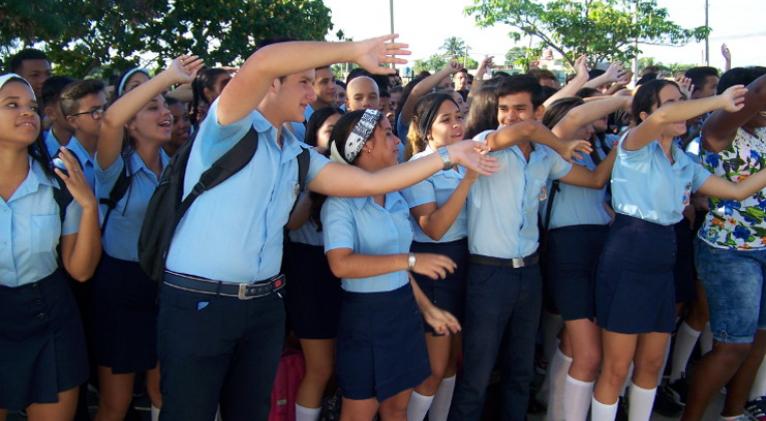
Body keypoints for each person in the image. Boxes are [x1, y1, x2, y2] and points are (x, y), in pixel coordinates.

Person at [158, 35, 498, 421]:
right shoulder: (229, 126)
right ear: (273, 83)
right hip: (201, 299)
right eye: (304, 81)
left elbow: (371, 183)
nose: (315, 92)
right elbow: (263, 60)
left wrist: (448, 155)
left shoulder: (297, 154)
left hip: (263, 305)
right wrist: (351, 52)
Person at [590, 79, 766, 421]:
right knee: (615, 366)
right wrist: (720, 99)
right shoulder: (634, 144)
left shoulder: (684, 162)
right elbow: (663, 118)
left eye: (682, 100)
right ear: (645, 114)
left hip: (662, 257)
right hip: (629, 253)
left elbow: (738, 191)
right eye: (670, 102)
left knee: (653, 362)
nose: (680, 107)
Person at [449, 75, 605, 421]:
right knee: (476, 375)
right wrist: (560, 144)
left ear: (538, 110)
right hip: (488, 275)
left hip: (529, 274)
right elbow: (527, 131)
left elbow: (593, 181)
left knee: (520, 374)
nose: (508, 117)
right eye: (503, 109)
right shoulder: (484, 143)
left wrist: (628, 144)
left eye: (520, 109)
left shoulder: (544, 156)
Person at [322, 108, 461, 421]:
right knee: (360, 411)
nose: (399, 141)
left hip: (402, 314)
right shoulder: (340, 202)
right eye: (388, 133)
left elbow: (398, 271)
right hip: (366, 319)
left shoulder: (395, 195)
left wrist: (428, 309)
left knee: (397, 408)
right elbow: (340, 265)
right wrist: (410, 260)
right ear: (366, 145)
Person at [90, 55, 203, 421]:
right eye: (150, 107)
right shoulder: (112, 167)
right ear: (132, 123)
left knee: (162, 391)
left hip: (163, 287)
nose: (166, 112)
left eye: (167, 105)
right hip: (119, 291)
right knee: (115, 403)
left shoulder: (175, 167)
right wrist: (167, 76)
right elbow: (110, 119)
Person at [0, 73, 101, 421]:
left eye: (31, 106)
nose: (27, 112)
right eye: (11, 105)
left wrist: (88, 207)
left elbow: (81, 270)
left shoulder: (60, 181)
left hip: (50, 315)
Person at [538, 96, 629, 421]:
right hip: (569, 251)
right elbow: (595, 181)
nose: (592, 127)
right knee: (589, 355)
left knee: (576, 345)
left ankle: (554, 405)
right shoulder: (552, 152)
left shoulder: (595, 151)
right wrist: (625, 97)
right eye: (586, 123)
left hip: (600, 247)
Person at [682, 67, 766, 421]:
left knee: (759, 341)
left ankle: (733, 415)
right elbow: (757, 94)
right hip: (730, 251)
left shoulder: (763, 132)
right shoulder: (718, 132)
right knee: (732, 345)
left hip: (763, 248)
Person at [402, 93, 477, 421]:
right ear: (427, 129)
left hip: (465, 258)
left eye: (459, 116)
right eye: (446, 120)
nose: (457, 124)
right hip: (433, 262)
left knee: (450, 362)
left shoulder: (466, 157)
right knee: (433, 367)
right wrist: (469, 180)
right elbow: (432, 227)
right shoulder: (419, 166)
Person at [283, 107, 344, 421]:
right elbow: (293, 223)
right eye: (329, 130)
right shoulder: (300, 167)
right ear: (314, 136)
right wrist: (315, 176)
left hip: (345, 274)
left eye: (341, 130)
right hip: (309, 273)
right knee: (319, 368)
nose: (336, 137)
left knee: (338, 365)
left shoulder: (353, 173)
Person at [60, 80, 109, 190]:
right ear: (73, 121)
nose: (104, 115)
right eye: (95, 111)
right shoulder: (64, 166)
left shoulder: (121, 152)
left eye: (105, 108)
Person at [41, 76, 76, 156]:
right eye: (71, 105)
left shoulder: (96, 145)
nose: (80, 110)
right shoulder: (36, 150)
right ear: (51, 113)